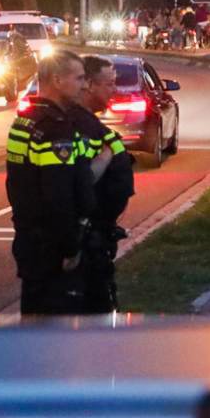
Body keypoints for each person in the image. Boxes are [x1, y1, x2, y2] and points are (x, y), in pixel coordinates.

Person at [6, 50, 94, 315]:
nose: (84, 85)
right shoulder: (55, 128)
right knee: (56, 326)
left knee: (33, 317)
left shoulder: (25, 120)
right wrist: (70, 246)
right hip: (51, 246)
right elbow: (58, 193)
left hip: (29, 238)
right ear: (57, 80)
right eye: (79, 79)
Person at [70, 55, 136, 312]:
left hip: (99, 239)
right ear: (89, 85)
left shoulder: (90, 124)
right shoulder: (80, 127)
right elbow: (81, 181)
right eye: (109, 84)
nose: (115, 90)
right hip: (88, 240)